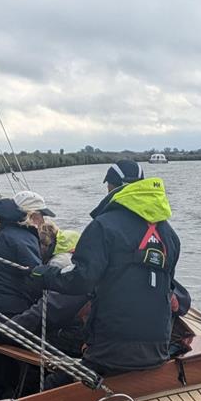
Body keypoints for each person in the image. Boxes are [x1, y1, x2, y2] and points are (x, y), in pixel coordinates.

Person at [30, 159, 181, 380]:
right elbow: (168, 287)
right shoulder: (169, 234)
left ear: (112, 186)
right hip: (158, 350)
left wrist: (44, 275)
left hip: (111, 352)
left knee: (52, 385)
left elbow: (81, 280)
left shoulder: (103, 226)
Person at [0, 192, 55, 401]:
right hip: (8, 315)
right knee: (32, 369)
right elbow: (37, 277)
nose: (43, 221)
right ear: (30, 215)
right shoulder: (22, 237)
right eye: (40, 216)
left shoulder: (2, 232)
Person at [0, 229, 88, 358]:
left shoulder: (74, 272)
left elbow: (51, 308)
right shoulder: (100, 267)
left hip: (85, 342)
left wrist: (0, 335)